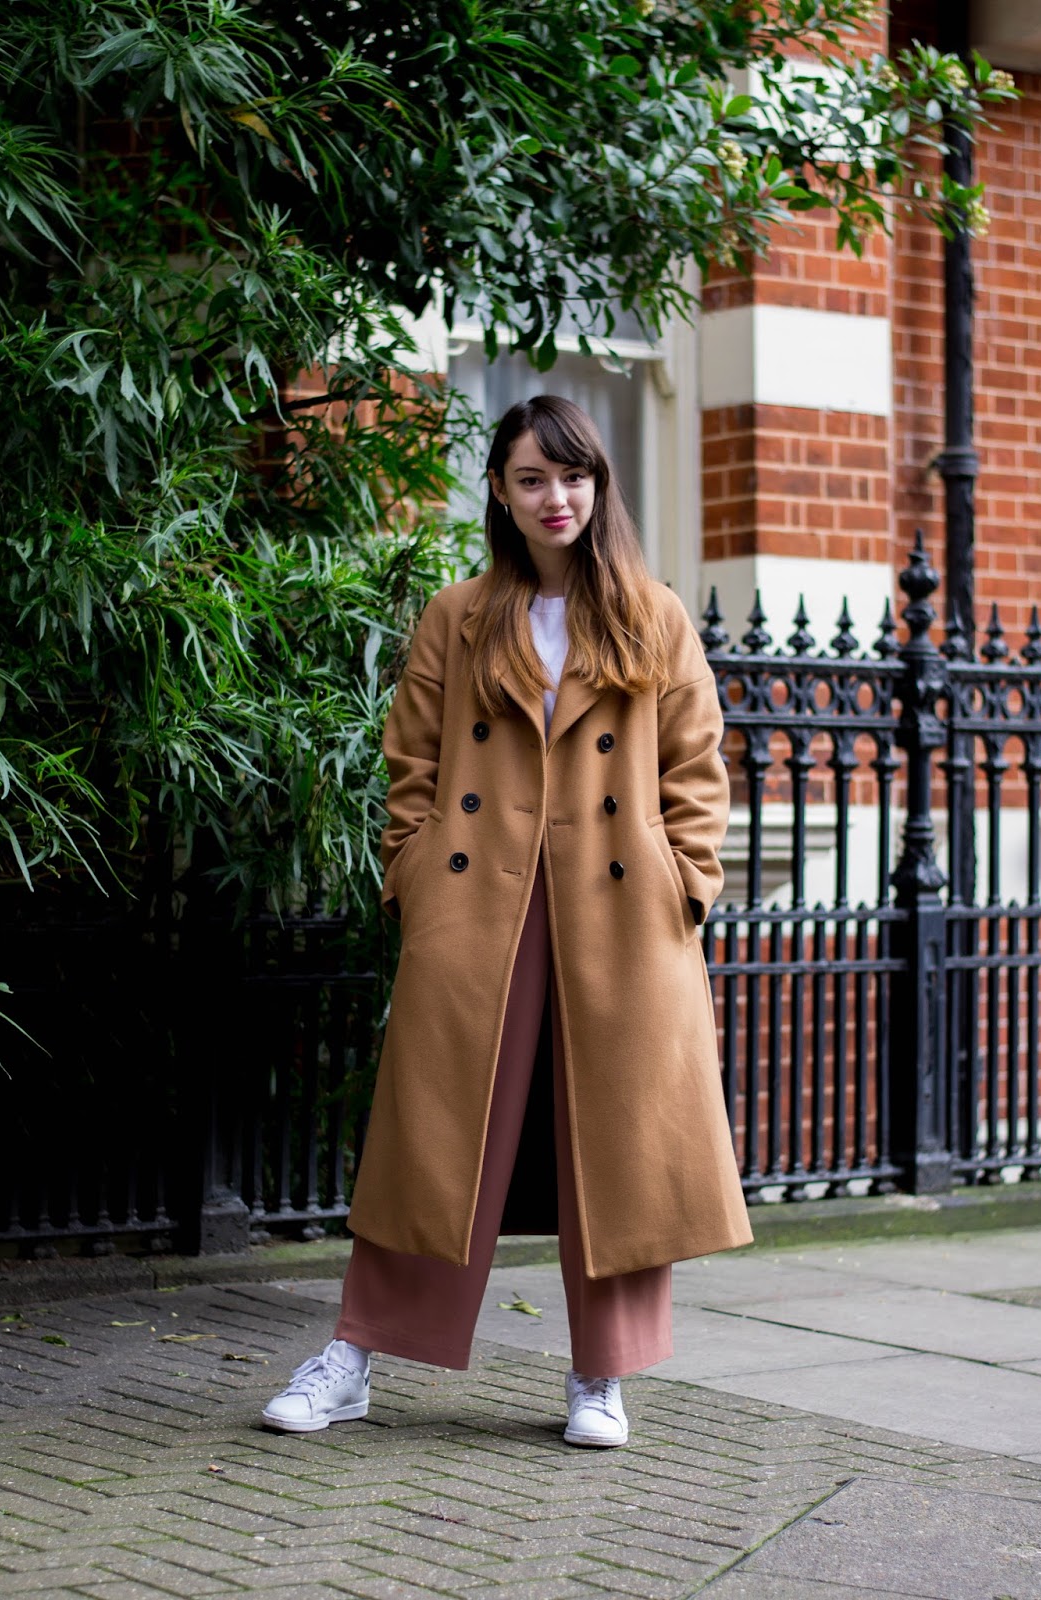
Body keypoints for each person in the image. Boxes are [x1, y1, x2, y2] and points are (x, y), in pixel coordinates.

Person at [262, 394, 752, 1448]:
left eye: (572, 476)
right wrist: (415, 875)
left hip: (619, 911)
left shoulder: (654, 615)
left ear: (599, 485)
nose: (554, 497)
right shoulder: (459, 614)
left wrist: (686, 884)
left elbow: (696, 768)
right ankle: (352, 1358)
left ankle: (601, 1374)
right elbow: (411, 762)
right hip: (478, 901)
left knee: (618, 1146)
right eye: (532, 479)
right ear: (500, 491)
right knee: (433, 1136)